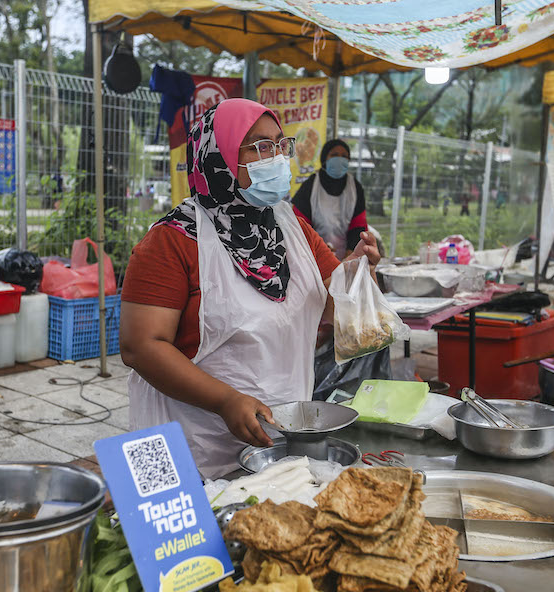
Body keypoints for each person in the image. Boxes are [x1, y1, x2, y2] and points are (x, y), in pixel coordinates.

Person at [120, 99, 381, 477]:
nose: (276, 157)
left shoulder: (292, 227)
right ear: (219, 156)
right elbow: (140, 347)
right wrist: (225, 400)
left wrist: (359, 274)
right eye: (259, 146)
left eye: (279, 144)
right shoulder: (172, 241)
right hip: (193, 446)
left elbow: (336, 308)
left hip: (280, 441)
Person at [291, 138, 369, 260]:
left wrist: (351, 254)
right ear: (324, 158)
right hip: (313, 255)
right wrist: (320, 248)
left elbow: (359, 225)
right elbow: (300, 225)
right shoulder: (311, 185)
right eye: (334, 155)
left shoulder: (355, 187)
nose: (340, 159)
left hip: (348, 255)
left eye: (344, 156)